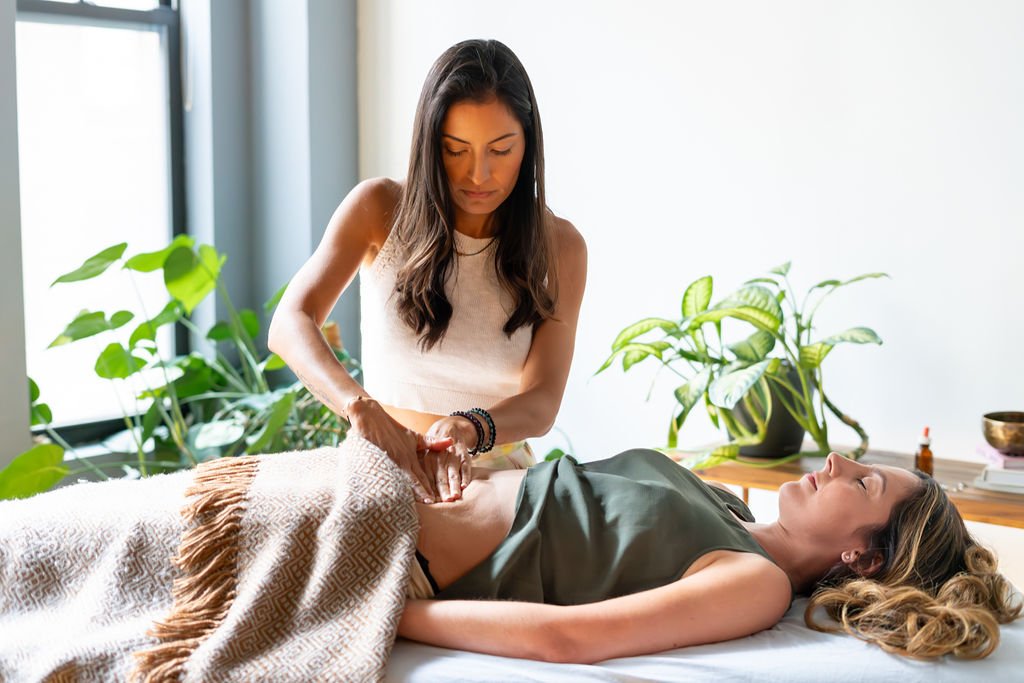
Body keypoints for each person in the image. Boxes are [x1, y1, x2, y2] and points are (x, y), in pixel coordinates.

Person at [268, 39, 586, 505]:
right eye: (456, 150)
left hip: (496, 476)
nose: (478, 175)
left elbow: (541, 400)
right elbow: (290, 322)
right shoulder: (377, 208)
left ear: (528, 144)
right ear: (429, 144)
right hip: (383, 462)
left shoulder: (560, 247)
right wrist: (359, 407)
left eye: (500, 150)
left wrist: (468, 427)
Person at [399, 450, 1022, 662]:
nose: (836, 462)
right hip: (394, 483)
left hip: (393, 551)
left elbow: (568, 640)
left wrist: (391, 617)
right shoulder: (728, 507)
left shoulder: (756, 583)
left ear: (862, 559)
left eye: (862, 483)